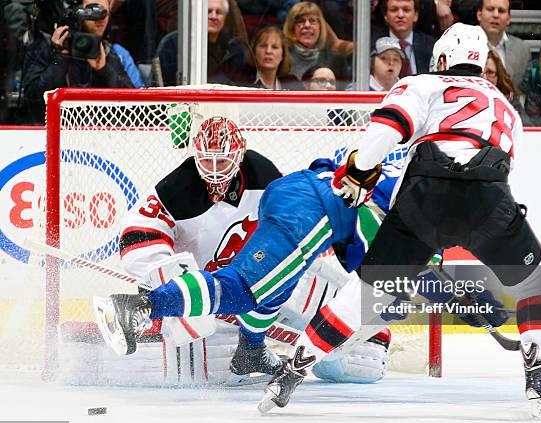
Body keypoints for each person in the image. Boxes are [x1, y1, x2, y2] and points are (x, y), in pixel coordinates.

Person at [261, 23, 541, 418]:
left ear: (442, 58)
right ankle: (538, 374)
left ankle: (290, 371)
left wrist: (359, 171)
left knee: (364, 293)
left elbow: (387, 129)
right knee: (536, 279)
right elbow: (501, 163)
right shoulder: (507, 107)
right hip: (487, 200)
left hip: (423, 199)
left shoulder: (423, 83)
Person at [96, 116, 398, 385]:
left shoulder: (264, 175)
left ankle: (251, 346)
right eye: (208, 161)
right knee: (209, 350)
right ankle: (156, 307)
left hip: (248, 275)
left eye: (223, 162)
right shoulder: (177, 189)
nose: (215, 171)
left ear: (238, 156)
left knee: (361, 359)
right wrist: (168, 276)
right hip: (211, 288)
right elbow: (136, 235)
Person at [22, 0, 142, 124]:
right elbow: (33, 100)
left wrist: (103, 70)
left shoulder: (108, 53)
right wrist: (60, 59)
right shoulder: (47, 48)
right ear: (77, 12)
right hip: (53, 133)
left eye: (104, 12)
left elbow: (132, 107)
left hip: (98, 135)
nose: (100, 19)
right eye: (92, 10)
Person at [282, 2, 351, 87]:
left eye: (312, 21)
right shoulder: (282, 58)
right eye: (301, 21)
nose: (307, 25)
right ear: (291, 27)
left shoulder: (337, 60)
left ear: (320, 27)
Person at [476, 0, 531, 92]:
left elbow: (525, 91)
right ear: (479, 15)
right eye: (490, 9)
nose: (496, 15)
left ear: (509, 18)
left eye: (501, 11)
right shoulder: (465, 46)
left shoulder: (522, 49)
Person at [371, 0, 436, 76]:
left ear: (416, 15)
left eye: (406, 10)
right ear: (385, 16)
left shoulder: (432, 46)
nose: (400, 15)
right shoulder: (372, 46)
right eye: (394, 10)